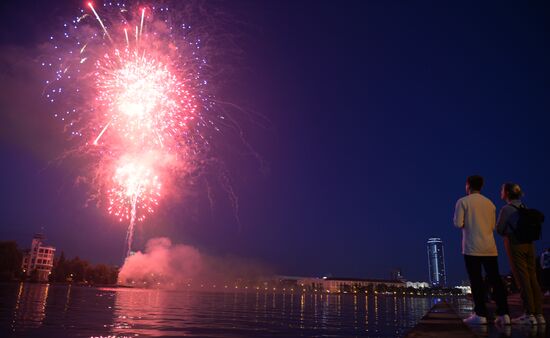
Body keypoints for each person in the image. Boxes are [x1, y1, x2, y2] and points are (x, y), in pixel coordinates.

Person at [454, 175, 510, 325]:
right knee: (495, 280)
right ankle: (504, 313)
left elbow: (458, 223)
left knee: (476, 280)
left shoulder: (463, 202)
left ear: (468, 186)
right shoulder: (490, 203)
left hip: (472, 247)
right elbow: (492, 226)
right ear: (481, 186)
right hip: (490, 247)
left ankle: (480, 314)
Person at [496, 183, 545, 325]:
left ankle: (529, 314)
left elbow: (499, 229)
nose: (501, 192)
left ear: (507, 193)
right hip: (529, 244)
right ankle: (539, 314)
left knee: (522, 278)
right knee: (533, 278)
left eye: (502, 190)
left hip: (515, 244)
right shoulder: (524, 207)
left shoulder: (506, 209)